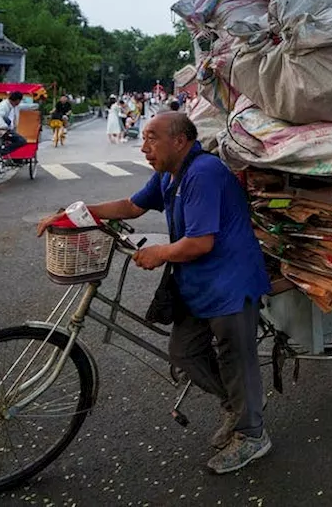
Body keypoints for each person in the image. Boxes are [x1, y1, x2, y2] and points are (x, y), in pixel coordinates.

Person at [37, 111, 271, 473]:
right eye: (144, 139)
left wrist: (159, 252)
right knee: (184, 352)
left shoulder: (203, 172)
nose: (144, 146)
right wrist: (75, 213)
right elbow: (132, 206)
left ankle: (253, 435)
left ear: (179, 140)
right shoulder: (169, 172)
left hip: (230, 281)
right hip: (197, 281)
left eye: (151, 138)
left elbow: (201, 242)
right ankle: (239, 406)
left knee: (235, 360)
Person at [0, 91, 28, 155]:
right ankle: (1, 151)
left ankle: (0, 151)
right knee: (21, 141)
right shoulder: (3, 106)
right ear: (17, 100)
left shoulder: (8, 105)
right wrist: (5, 127)